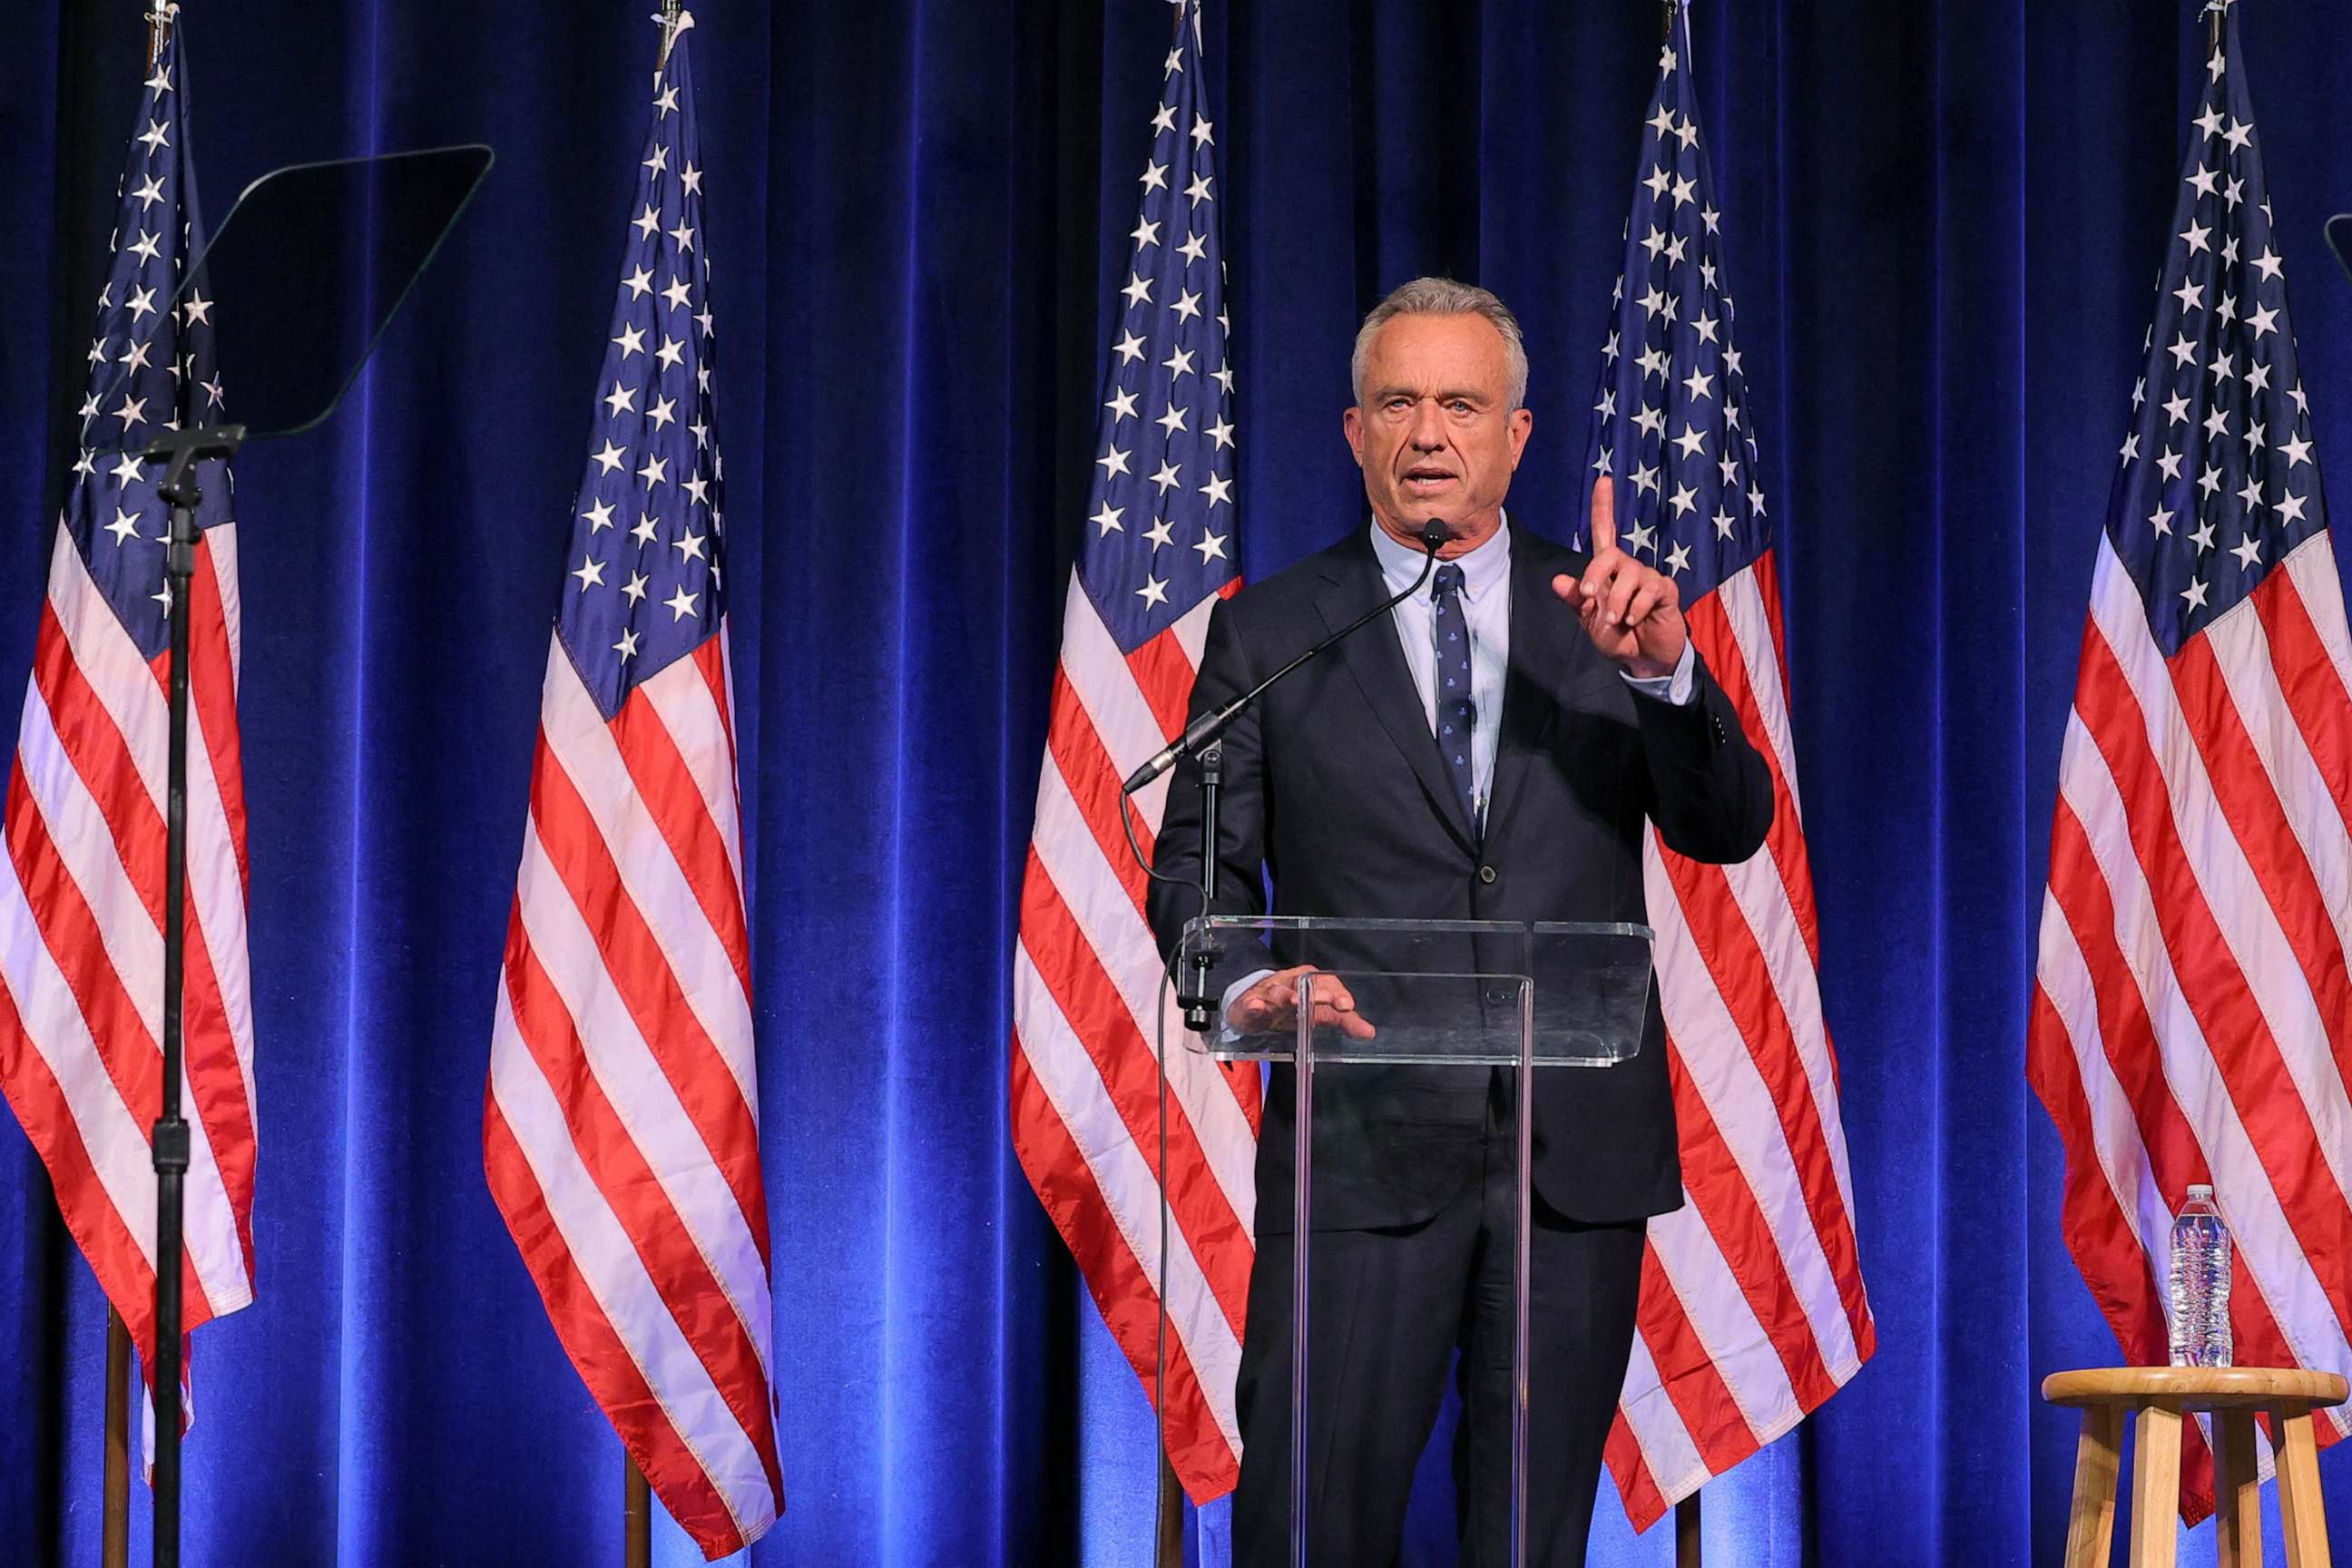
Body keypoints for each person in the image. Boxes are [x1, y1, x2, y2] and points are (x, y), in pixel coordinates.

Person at [1148, 277, 1773, 1565]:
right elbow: (1196, 875)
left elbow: (1728, 825)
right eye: (1400, 403)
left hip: (1571, 1162)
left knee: (1531, 1546)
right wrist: (1250, 983)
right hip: (1359, 1151)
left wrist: (1664, 674)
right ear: (1354, 432)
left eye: (1461, 403)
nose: (1430, 432)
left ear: (1517, 434)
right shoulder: (1270, 632)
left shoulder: (1606, 611)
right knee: (1310, 1532)